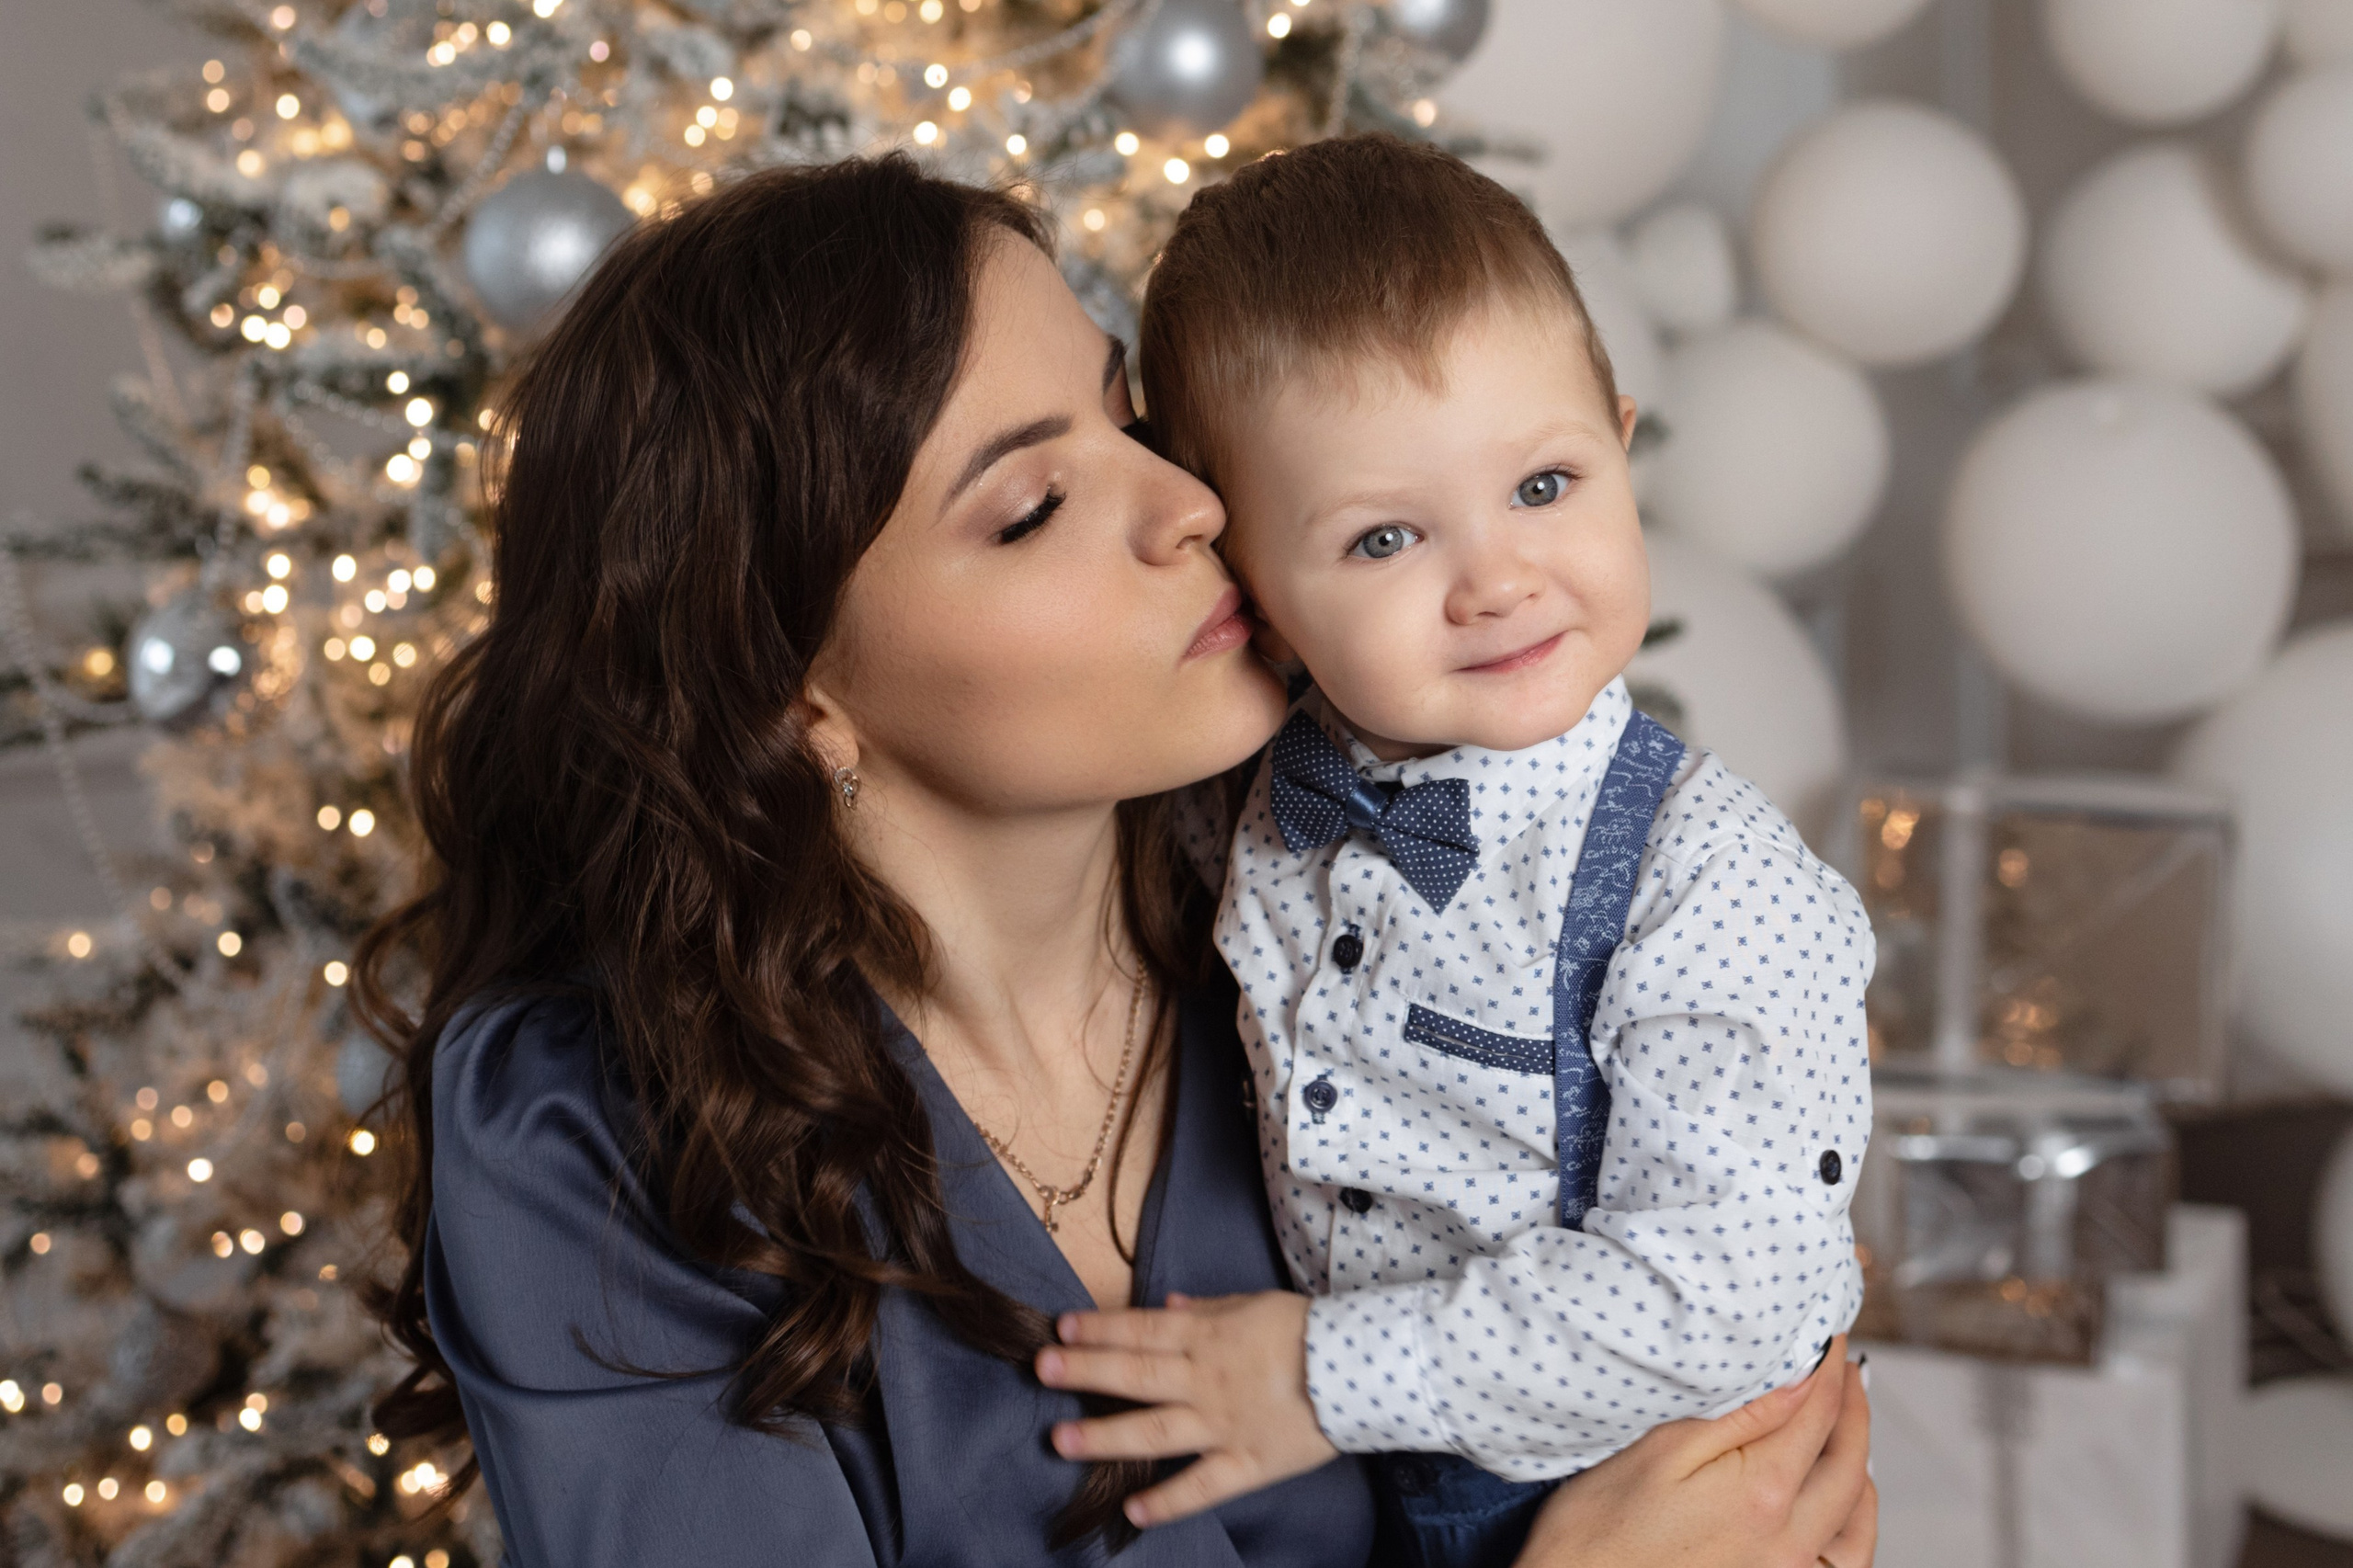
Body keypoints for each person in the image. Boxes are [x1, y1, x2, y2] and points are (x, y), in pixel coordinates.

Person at [352, 153, 1878, 1567]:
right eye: (1032, 507)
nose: (1193, 505)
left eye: (1128, 418)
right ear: (798, 698)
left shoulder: (1314, 909)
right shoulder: (591, 1129)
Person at [1031, 137, 1876, 1567]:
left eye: (1546, 485)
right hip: (1397, 1495)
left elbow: (1732, 1282)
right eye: (1383, 540)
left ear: (1618, 437)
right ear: (1259, 593)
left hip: (1652, 1484)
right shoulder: (1243, 801)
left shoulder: (1706, 883)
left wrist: (1320, 1373)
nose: (1496, 579)